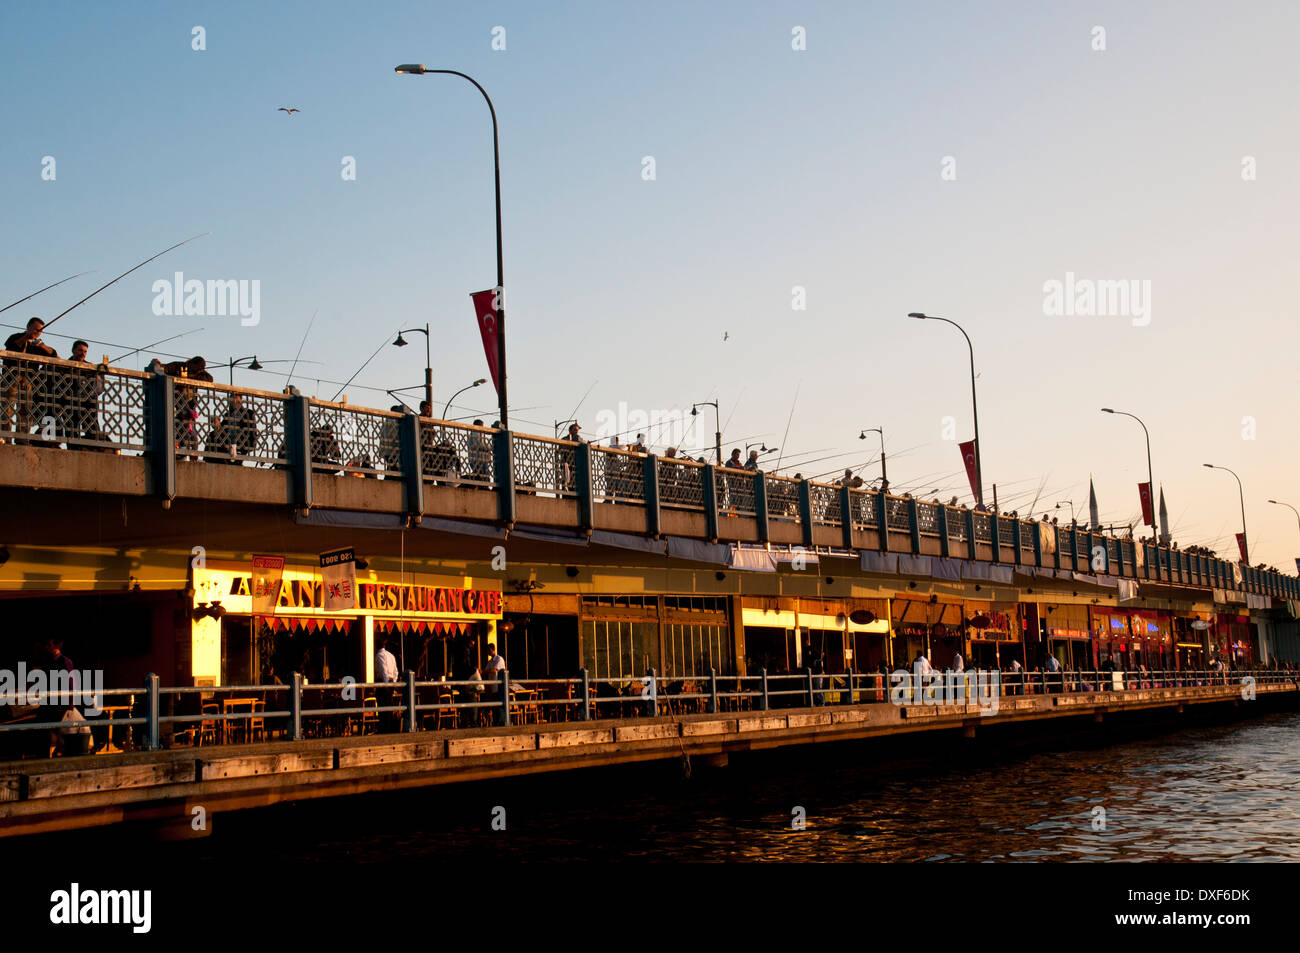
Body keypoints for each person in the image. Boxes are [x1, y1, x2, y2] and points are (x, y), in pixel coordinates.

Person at [3, 317, 58, 444]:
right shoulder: (15, 337)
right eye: (35, 329)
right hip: (12, 377)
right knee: (8, 408)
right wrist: (25, 338)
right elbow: (11, 347)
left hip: (28, 380)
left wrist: (42, 346)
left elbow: (54, 355)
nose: (37, 332)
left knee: (25, 410)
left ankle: (22, 438)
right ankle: (5, 437)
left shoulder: (37, 345)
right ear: (28, 327)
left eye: (39, 331)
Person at [65, 340, 106, 448]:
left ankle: (93, 448)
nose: (82, 353)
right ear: (73, 350)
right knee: (72, 429)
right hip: (70, 403)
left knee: (92, 428)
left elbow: (99, 389)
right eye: (80, 350)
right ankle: (73, 449)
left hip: (87, 403)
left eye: (85, 351)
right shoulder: (65, 365)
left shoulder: (90, 367)